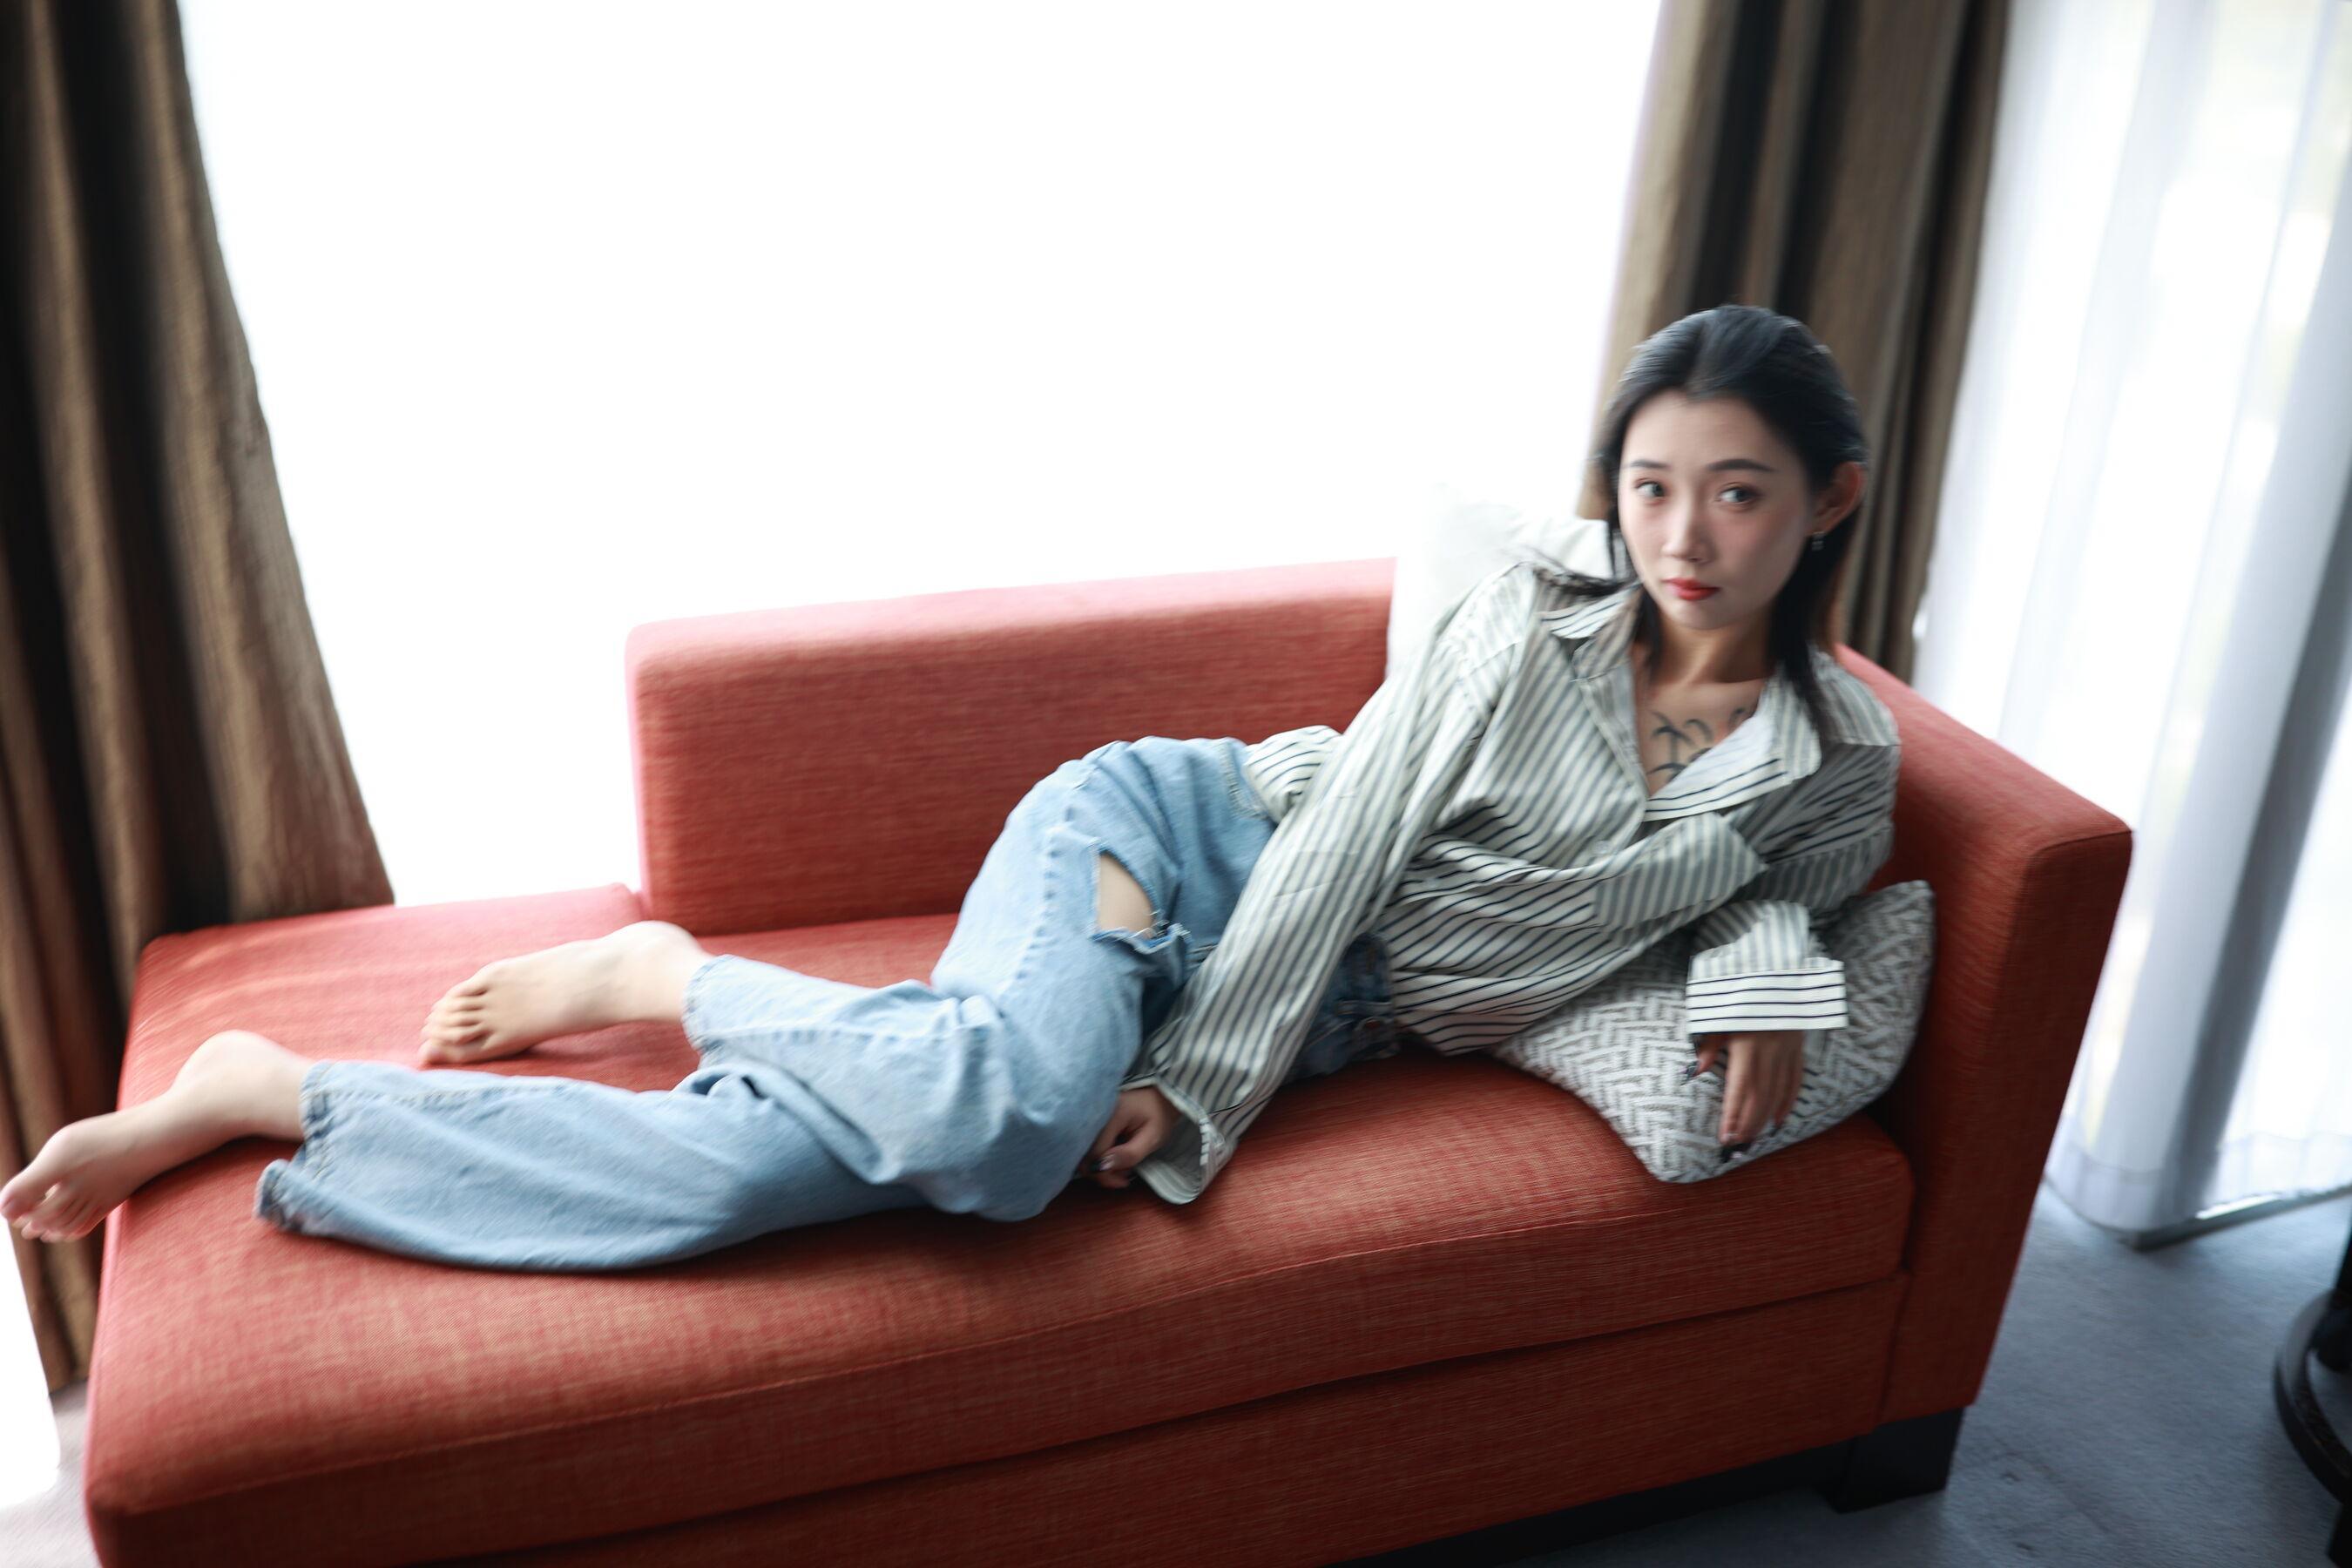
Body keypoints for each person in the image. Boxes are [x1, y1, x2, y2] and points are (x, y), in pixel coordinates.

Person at [0, 301, 1900, 1267]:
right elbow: (1346, 848)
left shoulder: (1839, 763)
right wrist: (1196, 1088)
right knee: (1005, 1132)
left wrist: (1766, 981)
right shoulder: (1528, 615)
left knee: (760, 1170)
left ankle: (274, 1095)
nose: (1684, 536)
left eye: (1738, 493)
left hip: (1333, 1015)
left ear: (1826, 502)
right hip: (1181, 849)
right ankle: (670, 976)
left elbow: (1781, 886)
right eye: (1651, 485)